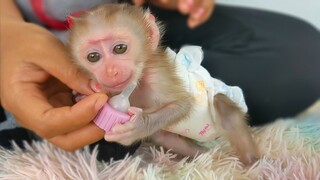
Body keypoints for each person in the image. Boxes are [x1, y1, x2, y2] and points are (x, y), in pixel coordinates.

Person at [1, 0, 319, 161]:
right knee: (107, 141)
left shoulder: (144, 44)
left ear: (151, 35)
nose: (110, 69)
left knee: (303, 56)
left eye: (118, 51)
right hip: (23, 35)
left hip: (131, 17)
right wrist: (6, 31)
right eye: (95, 58)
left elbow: (178, 103)